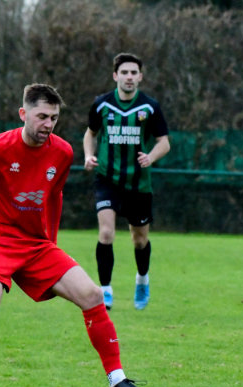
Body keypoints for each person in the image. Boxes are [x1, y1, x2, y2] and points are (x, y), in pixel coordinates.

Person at [0, 83, 151, 387]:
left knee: (93, 295)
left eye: (54, 118)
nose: (48, 124)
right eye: (41, 117)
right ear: (23, 114)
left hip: (36, 244)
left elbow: (54, 195)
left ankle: (118, 381)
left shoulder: (62, 152)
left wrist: (51, 244)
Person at [82, 52, 170, 311]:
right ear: (115, 76)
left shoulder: (150, 107)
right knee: (106, 233)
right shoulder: (102, 104)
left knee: (139, 240)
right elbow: (90, 134)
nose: (129, 77)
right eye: (124, 72)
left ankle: (142, 279)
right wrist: (88, 155)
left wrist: (150, 157)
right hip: (107, 179)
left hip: (138, 183)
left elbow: (164, 142)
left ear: (140, 77)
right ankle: (105, 290)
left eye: (133, 73)